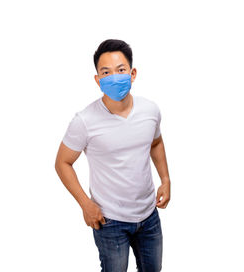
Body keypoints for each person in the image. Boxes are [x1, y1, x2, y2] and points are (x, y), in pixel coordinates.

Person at [55, 39, 171, 272]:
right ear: (98, 80)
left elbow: (156, 142)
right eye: (106, 72)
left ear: (133, 73)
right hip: (110, 220)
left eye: (120, 70)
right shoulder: (84, 121)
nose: (114, 77)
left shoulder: (150, 111)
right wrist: (85, 204)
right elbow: (63, 163)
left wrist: (166, 180)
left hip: (149, 215)